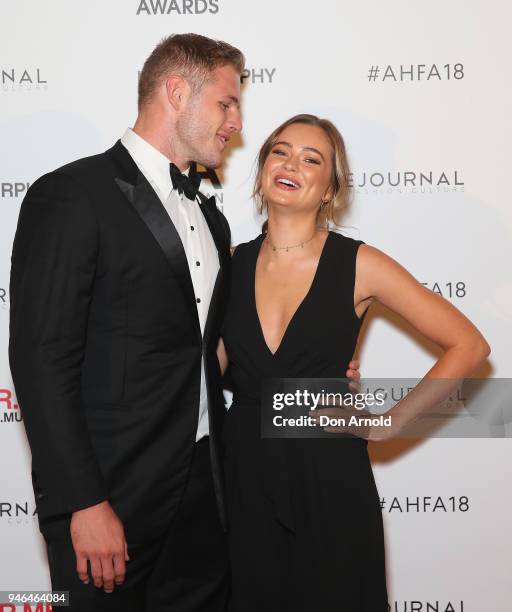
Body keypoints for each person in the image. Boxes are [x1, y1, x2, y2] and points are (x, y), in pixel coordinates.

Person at [8, 33, 244, 612]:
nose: (237, 122)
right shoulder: (71, 195)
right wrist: (83, 502)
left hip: (202, 500)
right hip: (109, 498)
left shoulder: (215, 224)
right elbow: (41, 359)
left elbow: (207, 353)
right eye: (226, 103)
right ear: (175, 91)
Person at [217, 114, 491, 611]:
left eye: (311, 159)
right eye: (280, 151)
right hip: (245, 477)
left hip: (330, 477)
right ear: (261, 169)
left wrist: (387, 424)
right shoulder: (227, 264)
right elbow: (205, 371)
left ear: (330, 190)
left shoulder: (359, 263)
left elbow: (469, 345)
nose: (291, 164)